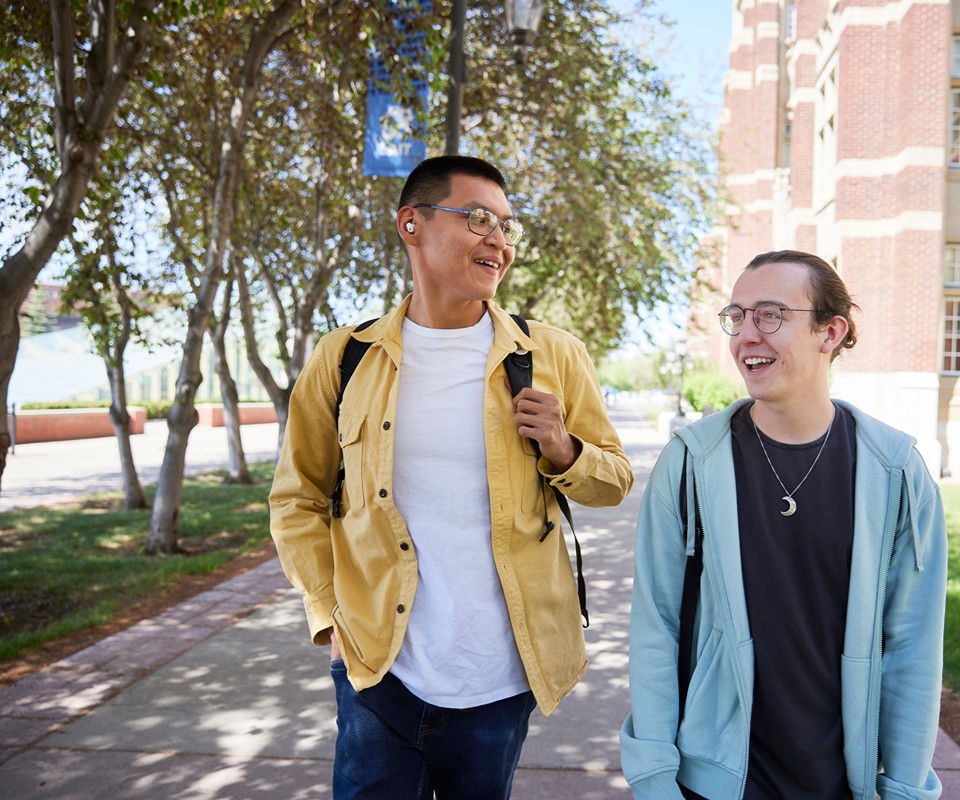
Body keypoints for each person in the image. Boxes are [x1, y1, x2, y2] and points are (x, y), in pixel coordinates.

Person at [270, 154, 634, 799]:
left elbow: (614, 481)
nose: (498, 239)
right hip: (377, 667)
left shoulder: (550, 354)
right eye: (477, 219)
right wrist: (329, 619)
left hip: (498, 674)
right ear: (412, 224)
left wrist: (563, 447)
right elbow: (297, 497)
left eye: (507, 226)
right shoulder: (346, 357)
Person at [620, 250, 947, 799]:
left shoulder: (896, 473)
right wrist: (655, 779)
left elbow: (912, 646)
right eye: (737, 316)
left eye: (770, 315)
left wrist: (907, 788)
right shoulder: (690, 464)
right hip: (715, 780)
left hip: (843, 781)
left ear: (830, 332)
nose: (746, 335)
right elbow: (657, 626)